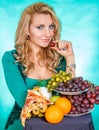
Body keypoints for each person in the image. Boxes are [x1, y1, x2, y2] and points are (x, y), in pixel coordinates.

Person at [2, 2, 75, 130]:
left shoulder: (59, 59)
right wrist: (60, 105)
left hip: (56, 124)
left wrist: (70, 57)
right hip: (23, 126)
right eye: (40, 27)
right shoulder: (11, 59)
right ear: (27, 30)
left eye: (51, 26)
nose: (48, 34)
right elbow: (25, 102)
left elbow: (70, 96)